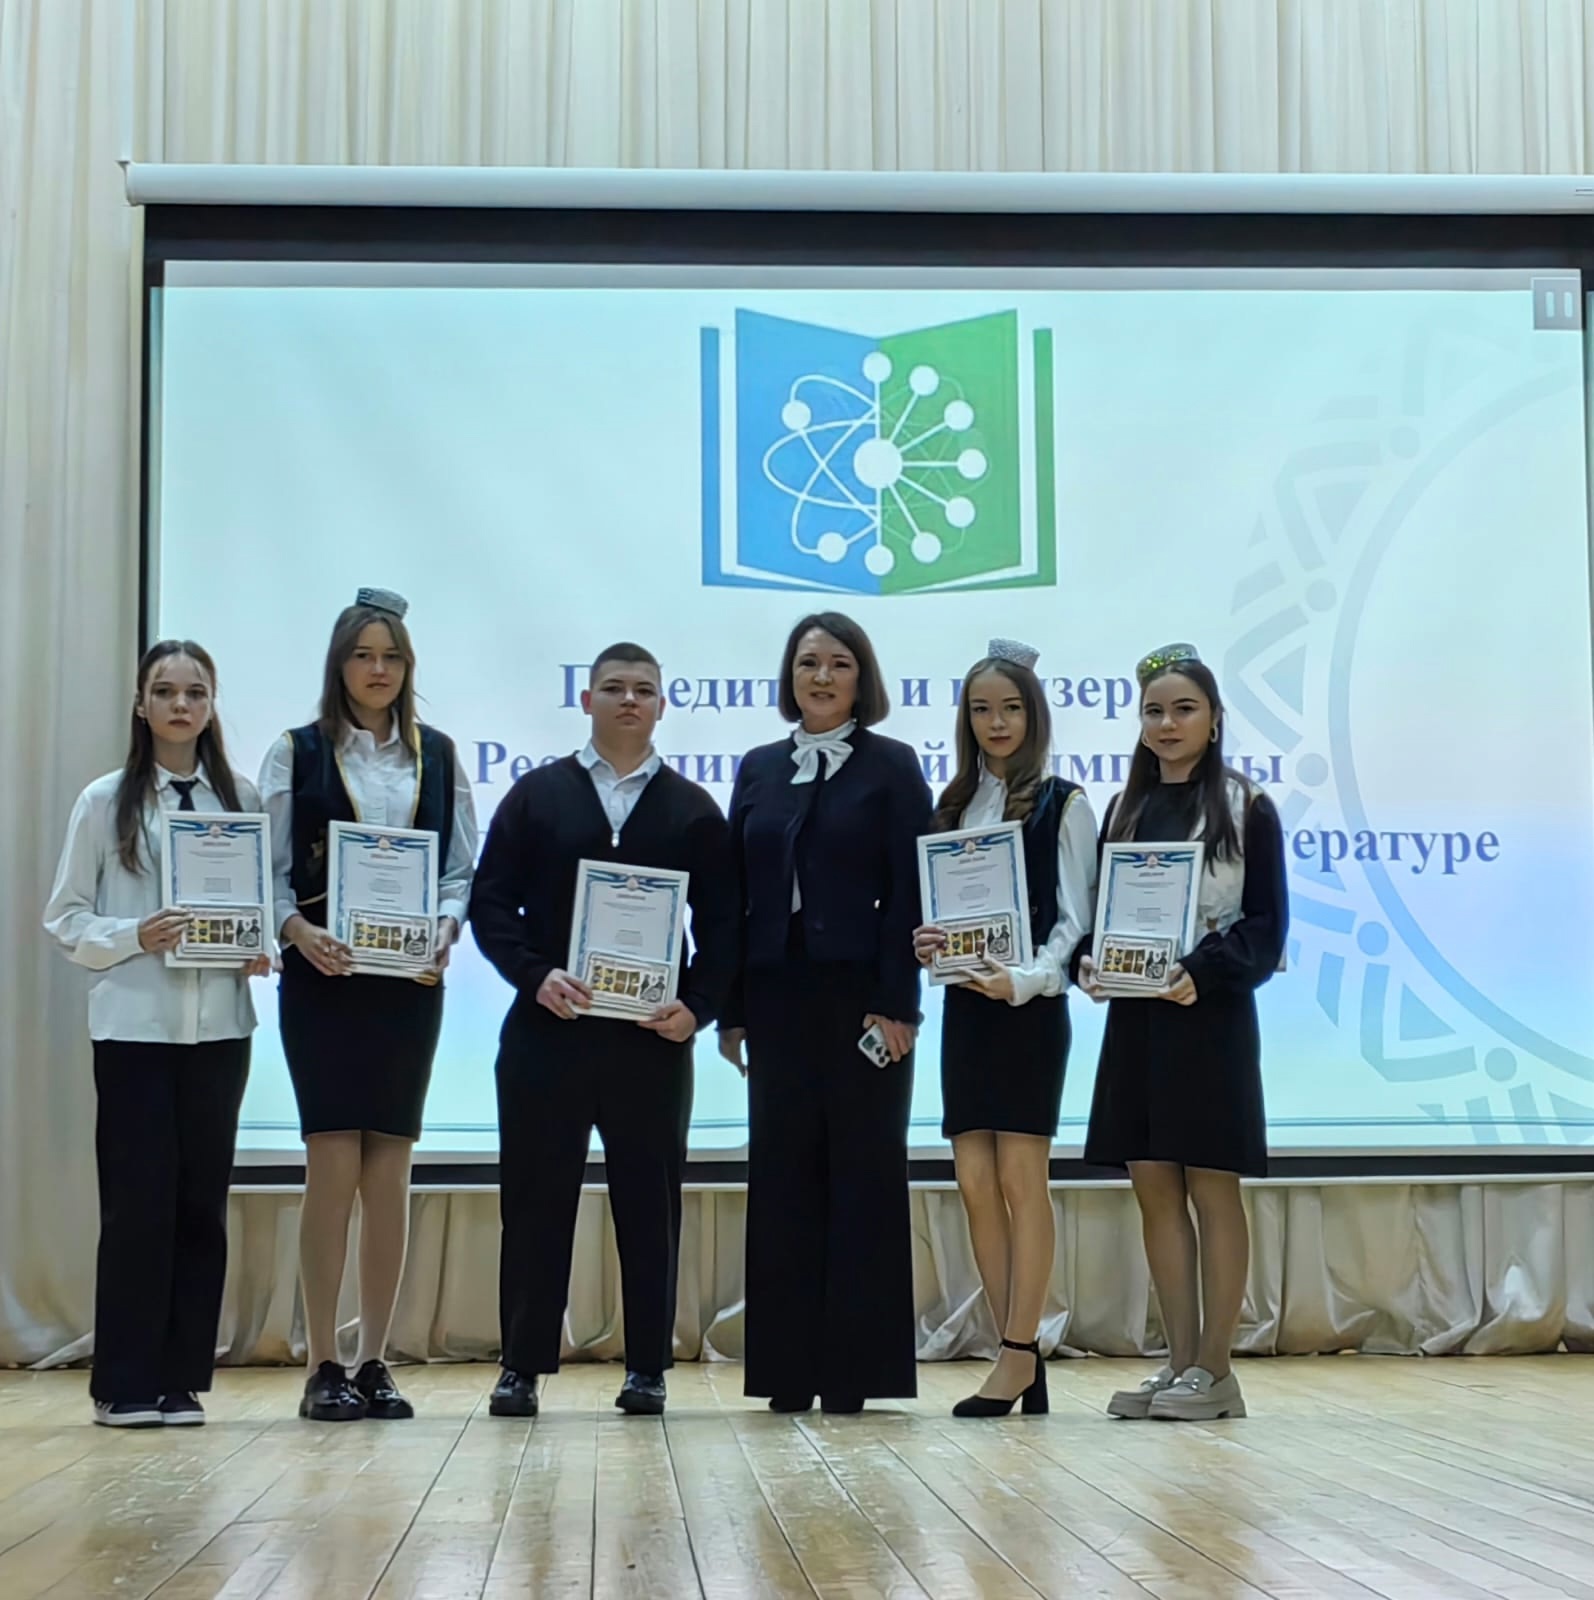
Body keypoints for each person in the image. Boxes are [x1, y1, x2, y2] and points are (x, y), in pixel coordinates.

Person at [471, 642, 737, 1419]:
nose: (629, 700)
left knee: (650, 1205)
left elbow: (726, 925)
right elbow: (491, 903)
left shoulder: (693, 809)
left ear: (662, 706)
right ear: (586, 701)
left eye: (643, 690)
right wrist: (534, 975)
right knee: (534, 1201)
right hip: (547, 1033)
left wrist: (698, 1007)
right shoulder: (536, 796)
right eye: (614, 688)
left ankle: (648, 1367)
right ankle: (521, 1365)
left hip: (651, 1042)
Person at [259, 588, 478, 1422]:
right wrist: (296, 932)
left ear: (407, 667)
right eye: (363, 655)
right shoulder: (296, 751)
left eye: (391, 656)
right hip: (323, 977)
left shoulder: (441, 755)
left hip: (408, 986)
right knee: (331, 1164)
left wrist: (446, 928)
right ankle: (323, 1362)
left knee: (390, 1170)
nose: (378, 669)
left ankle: (375, 1360)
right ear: (339, 664)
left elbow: (458, 869)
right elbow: (270, 870)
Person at [44, 640, 270, 1427]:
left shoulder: (239, 799)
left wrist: (255, 942)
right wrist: (134, 935)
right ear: (141, 705)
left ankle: (181, 1380)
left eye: (195, 693)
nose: (181, 705)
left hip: (220, 1031)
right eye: (165, 691)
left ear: (211, 706)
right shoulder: (104, 800)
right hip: (135, 1029)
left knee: (201, 1206)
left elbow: (260, 902)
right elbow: (65, 919)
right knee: (138, 1207)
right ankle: (125, 1383)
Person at [721, 612, 930, 1414]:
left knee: (864, 1176)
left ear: (861, 678)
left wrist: (898, 1002)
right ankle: (786, 1371)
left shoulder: (892, 765)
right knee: (782, 1178)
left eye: (839, 663)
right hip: (777, 998)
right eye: (808, 662)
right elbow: (737, 896)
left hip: (863, 1002)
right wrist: (733, 1009)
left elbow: (911, 890)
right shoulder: (758, 767)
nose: (821, 676)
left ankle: (856, 1374)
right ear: (790, 675)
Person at [1078, 642, 1288, 1422]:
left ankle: (1217, 1371)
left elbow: (1266, 927)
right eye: (1154, 712)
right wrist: (1091, 960)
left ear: (1215, 719)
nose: (1167, 724)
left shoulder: (1246, 806)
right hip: (1137, 1018)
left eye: (1184, 710)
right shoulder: (1123, 808)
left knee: (1211, 1187)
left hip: (1211, 1017)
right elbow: (1100, 914)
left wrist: (1203, 970)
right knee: (1154, 1189)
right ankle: (1178, 1365)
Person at [912, 639, 1098, 1418]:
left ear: (1035, 714)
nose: (996, 722)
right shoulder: (951, 808)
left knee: (1023, 1181)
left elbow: (1076, 924)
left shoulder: (1065, 803)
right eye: (982, 709)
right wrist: (930, 942)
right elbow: (937, 910)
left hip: (1030, 1010)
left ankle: (1018, 1351)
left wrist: (1023, 981)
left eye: (1011, 708)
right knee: (974, 1183)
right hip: (966, 1009)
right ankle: (1015, 1350)